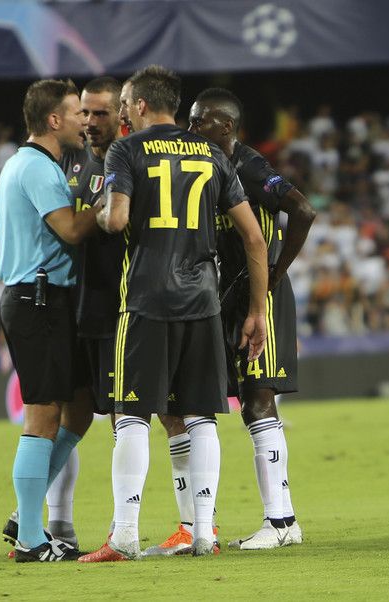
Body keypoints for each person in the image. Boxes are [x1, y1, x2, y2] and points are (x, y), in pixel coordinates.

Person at [77, 65, 269, 561]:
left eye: (125, 103)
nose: (122, 110)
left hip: (147, 299)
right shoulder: (211, 153)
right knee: (201, 415)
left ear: (140, 105)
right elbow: (253, 237)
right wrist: (258, 311)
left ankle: (124, 534)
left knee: (132, 415)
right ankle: (203, 532)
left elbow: (116, 218)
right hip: (203, 301)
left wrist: (101, 209)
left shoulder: (126, 150)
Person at [188, 87, 316, 550]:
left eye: (199, 120)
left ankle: (279, 522)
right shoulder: (207, 167)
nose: (191, 128)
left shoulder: (249, 166)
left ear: (225, 126)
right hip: (228, 297)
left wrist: (275, 275)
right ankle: (282, 521)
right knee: (246, 402)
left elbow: (303, 209)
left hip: (260, 299)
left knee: (259, 401)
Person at [0, 78, 103, 562]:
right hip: (35, 301)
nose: (85, 121)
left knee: (79, 407)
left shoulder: (29, 163)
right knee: (42, 415)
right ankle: (31, 540)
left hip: (48, 301)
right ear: (54, 120)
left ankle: (25, 512)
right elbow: (72, 229)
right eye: (77, 112)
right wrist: (109, 197)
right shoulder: (38, 168)